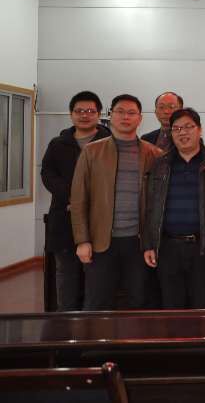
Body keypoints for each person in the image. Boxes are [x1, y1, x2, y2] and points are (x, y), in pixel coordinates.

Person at [71, 94, 162, 310]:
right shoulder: (92, 151)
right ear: (111, 115)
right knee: (97, 302)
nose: (125, 117)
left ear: (140, 118)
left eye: (131, 113)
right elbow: (78, 198)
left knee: (139, 301)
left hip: (139, 243)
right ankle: (96, 335)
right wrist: (82, 240)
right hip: (101, 242)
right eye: (120, 112)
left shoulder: (154, 154)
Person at [142, 108, 205, 309]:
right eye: (176, 128)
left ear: (200, 130)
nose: (182, 133)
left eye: (188, 127)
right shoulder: (160, 164)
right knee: (172, 307)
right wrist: (149, 244)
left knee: (203, 305)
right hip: (168, 248)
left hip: (204, 247)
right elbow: (150, 206)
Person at [41, 90, 111, 311]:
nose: (84, 115)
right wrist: (73, 196)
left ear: (99, 114)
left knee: (97, 279)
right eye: (79, 111)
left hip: (99, 222)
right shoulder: (57, 144)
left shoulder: (110, 143)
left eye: (90, 111)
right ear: (71, 114)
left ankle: (93, 325)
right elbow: (47, 174)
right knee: (66, 276)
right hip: (64, 219)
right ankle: (67, 323)